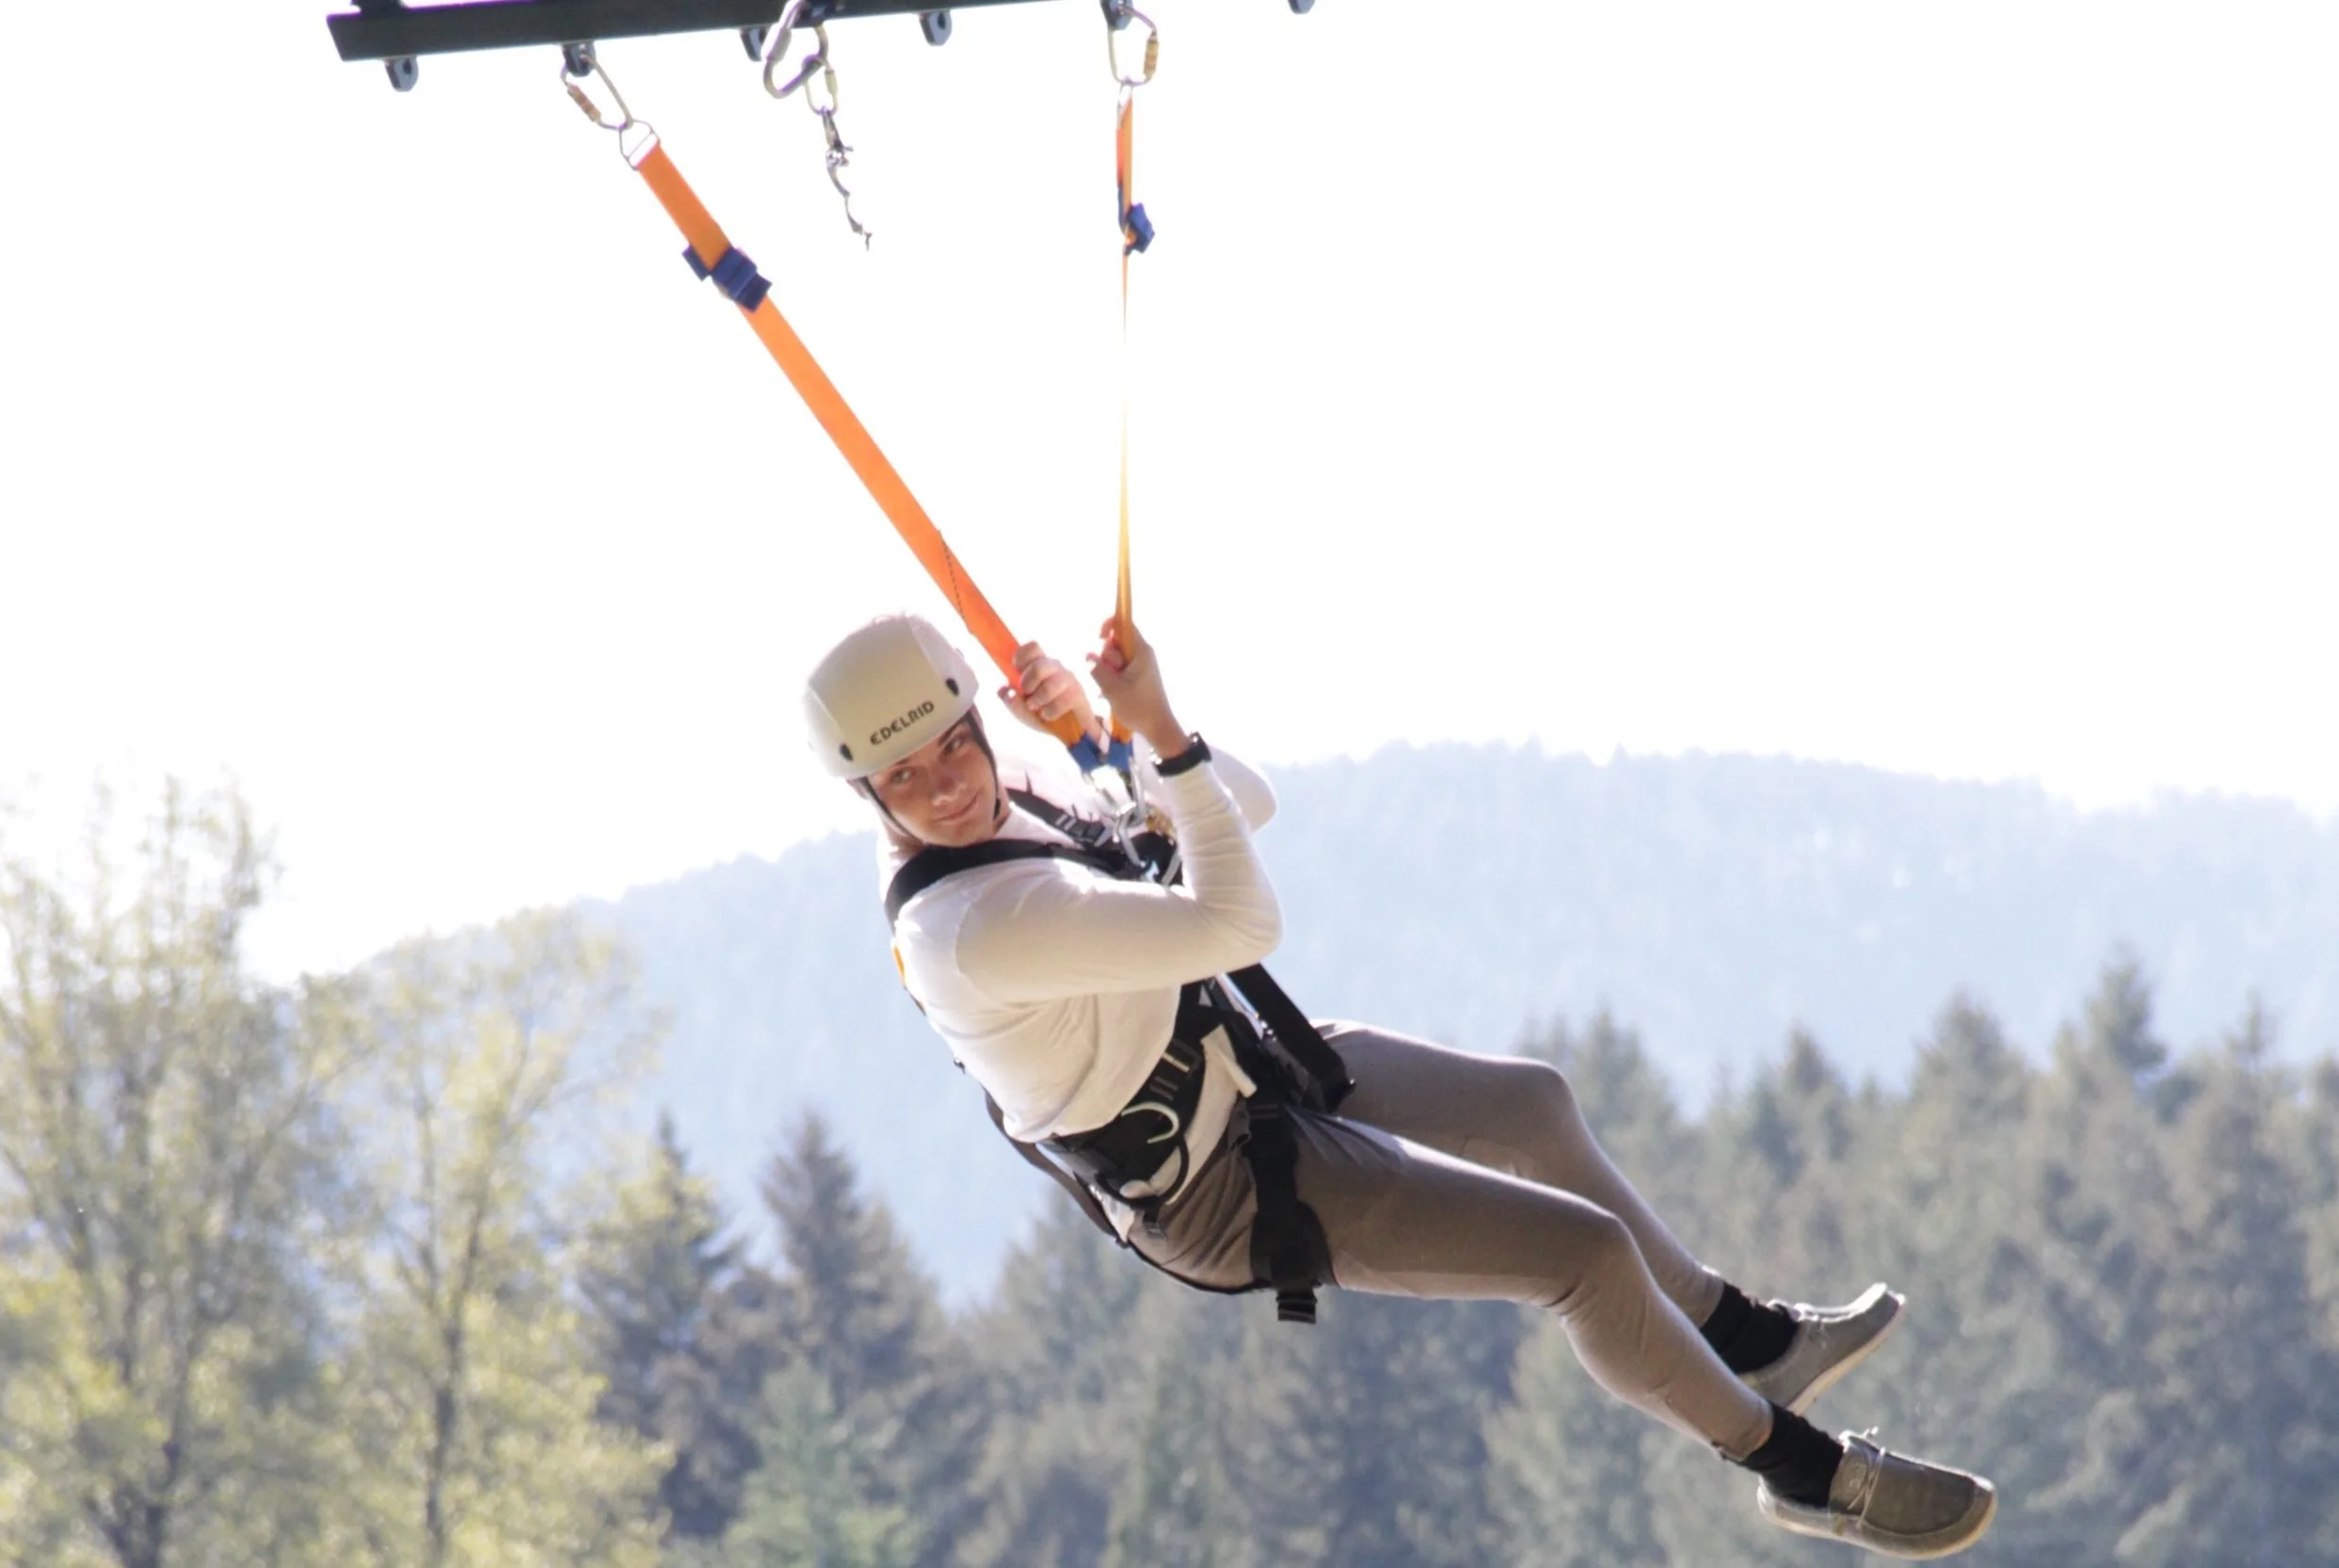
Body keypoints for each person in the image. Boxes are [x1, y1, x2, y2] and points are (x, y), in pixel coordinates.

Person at [802, 611, 1997, 1560]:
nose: (951, 783)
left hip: (1243, 1067)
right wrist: (1151, 732)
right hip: (1221, 1185)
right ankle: (1799, 1471)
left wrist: (1093, 736)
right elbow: (1238, 912)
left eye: (957, 742)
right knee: (1580, 1257)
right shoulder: (979, 924)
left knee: (1530, 1104)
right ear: (869, 798)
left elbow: (1242, 808)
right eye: (908, 777)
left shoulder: (1003, 793)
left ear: (972, 716)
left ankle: (1744, 1336)